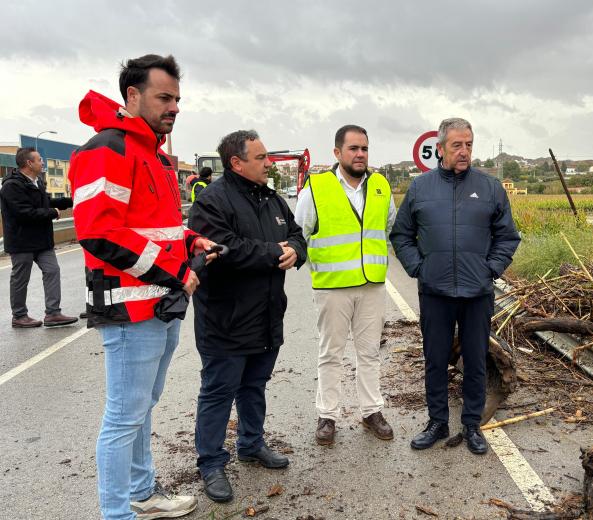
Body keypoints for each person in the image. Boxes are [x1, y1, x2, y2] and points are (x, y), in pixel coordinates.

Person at [68, 54, 216, 520]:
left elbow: (160, 227)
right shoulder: (107, 149)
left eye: (177, 99)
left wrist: (192, 240)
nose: (174, 107)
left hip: (160, 305)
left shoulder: (151, 154)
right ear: (132, 97)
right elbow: (98, 232)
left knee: (141, 408)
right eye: (164, 97)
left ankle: (141, 493)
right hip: (131, 308)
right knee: (123, 417)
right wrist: (174, 273)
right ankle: (119, 513)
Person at [188, 130, 306, 503]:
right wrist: (275, 252)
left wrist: (296, 253)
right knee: (219, 391)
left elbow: (297, 235)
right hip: (226, 318)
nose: (268, 163)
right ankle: (210, 462)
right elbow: (225, 249)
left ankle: (251, 444)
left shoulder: (271, 199)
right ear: (236, 163)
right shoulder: (212, 202)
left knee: (255, 386)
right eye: (261, 157)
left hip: (266, 315)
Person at [390, 117, 520, 455]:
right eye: (457, 145)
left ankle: (472, 425)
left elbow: (508, 236)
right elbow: (401, 235)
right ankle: (437, 422)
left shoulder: (490, 188)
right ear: (441, 147)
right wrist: (419, 267)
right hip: (435, 292)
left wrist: (490, 268)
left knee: (476, 360)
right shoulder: (421, 188)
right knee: (434, 359)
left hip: (477, 293)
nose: (464, 152)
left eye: (469, 145)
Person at [294, 125, 396, 446]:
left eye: (364, 148)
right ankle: (328, 415)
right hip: (333, 288)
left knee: (368, 353)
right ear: (338, 153)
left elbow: (389, 227)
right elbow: (300, 233)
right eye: (353, 149)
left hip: (371, 286)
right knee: (331, 353)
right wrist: (320, 268)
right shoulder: (317, 187)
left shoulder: (380, 185)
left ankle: (371, 411)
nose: (360, 154)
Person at [1, 148, 79, 328]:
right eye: (39, 160)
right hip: (22, 242)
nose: (42, 162)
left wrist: (71, 199)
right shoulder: (11, 186)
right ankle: (19, 316)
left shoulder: (38, 182)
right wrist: (52, 213)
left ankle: (53, 313)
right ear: (29, 163)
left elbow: (45, 202)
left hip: (42, 241)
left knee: (52, 271)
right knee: (21, 279)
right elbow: (23, 212)